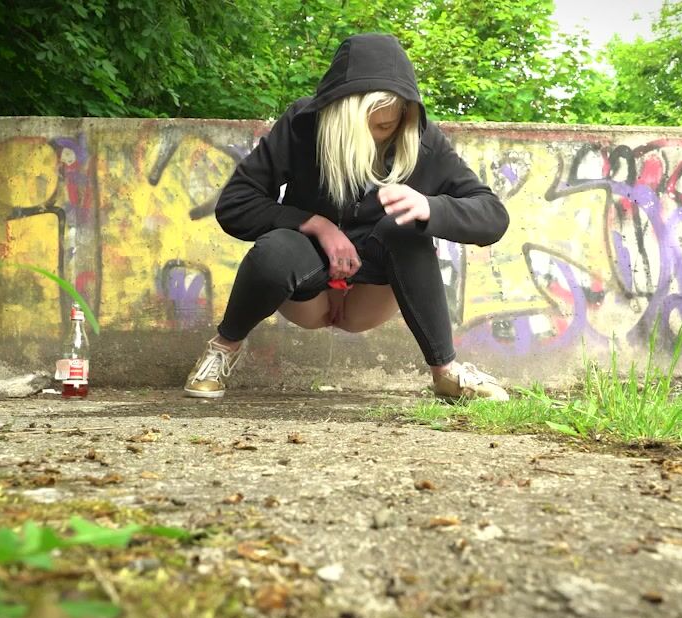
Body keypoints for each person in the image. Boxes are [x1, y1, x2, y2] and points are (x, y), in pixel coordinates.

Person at [183, 33, 510, 402]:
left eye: (385, 127)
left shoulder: (423, 141)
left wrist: (430, 208)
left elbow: (493, 216)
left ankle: (446, 373)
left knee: (405, 230)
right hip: (308, 288)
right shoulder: (304, 125)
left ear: (403, 115)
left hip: (371, 293)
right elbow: (235, 203)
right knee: (275, 247)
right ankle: (223, 348)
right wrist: (315, 224)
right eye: (363, 128)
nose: (374, 138)